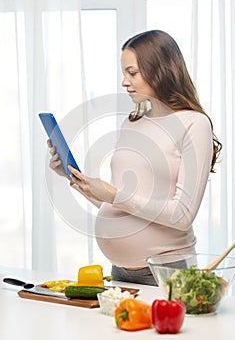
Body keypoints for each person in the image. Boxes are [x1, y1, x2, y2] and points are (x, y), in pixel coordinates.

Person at [48, 30, 222, 286]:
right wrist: (74, 178)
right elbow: (119, 205)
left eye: (132, 73)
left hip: (167, 273)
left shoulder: (194, 124)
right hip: (121, 272)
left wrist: (114, 194)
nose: (124, 82)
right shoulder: (132, 123)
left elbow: (182, 214)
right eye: (124, 73)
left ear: (159, 70)